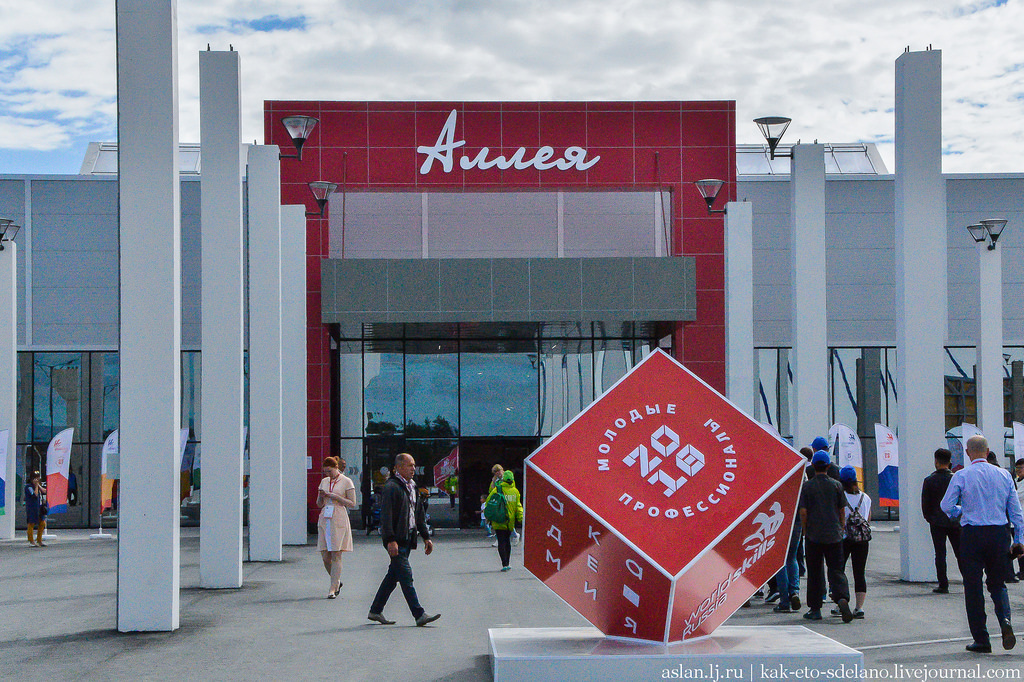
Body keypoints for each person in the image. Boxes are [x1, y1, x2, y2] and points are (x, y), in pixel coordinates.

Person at [940, 435, 1024, 653]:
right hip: (998, 534)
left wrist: (960, 512)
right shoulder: (1004, 475)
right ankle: (1005, 621)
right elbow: (1017, 514)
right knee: (998, 584)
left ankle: (982, 639)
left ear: (968, 453)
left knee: (973, 587)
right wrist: (1019, 541)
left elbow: (945, 505)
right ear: (988, 452)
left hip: (972, 535)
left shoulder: (962, 475)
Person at [368, 453, 440, 627]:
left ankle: (375, 611)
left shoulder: (413, 486)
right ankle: (419, 614)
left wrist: (426, 537)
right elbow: (386, 516)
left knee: (393, 576)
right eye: (409, 465)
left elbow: (419, 515)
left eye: (414, 465)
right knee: (406, 576)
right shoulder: (391, 487)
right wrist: (390, 539)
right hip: (395, 540)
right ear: (399, 467)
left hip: (408, 538)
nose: (413, 468)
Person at [799, 450, 853, 623]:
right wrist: (841, 527)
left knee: (815, 572)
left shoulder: (807, 487)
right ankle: (842, 597)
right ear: (828, 466)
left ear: (813, 466)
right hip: (834, 534)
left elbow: (803, 512)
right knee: (836, 569)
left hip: (814, 535)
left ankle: (815, 609)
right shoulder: (837, 485)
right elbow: (841, 510)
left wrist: (806, 531)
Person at [316, 456, 357, 599]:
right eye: (325, 472)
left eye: (330, 471)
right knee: (325, 555)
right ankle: (337, 581)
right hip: (325, 517)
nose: (328, 475)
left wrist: (335, 496)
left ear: (336, 468)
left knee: (336, 553)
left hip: (338, 516)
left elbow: (352, 503)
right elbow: (319, 504)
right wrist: (322, 496)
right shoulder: (324, 481)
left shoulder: (346, 481)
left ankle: (332, 588)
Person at [922, 448, 961, 593]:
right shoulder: (956, 478)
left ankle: (943, 584)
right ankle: (968, 580)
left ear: (936, 462)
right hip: (955, 520)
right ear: (950, 461)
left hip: (936, 521)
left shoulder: (929, 480)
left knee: (940, 553)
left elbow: (925, 504)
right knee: (960, 552)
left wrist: (930, 518)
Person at [838, 465, 871, 619]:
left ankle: (842, 601)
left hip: (844, 538)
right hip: (862, 540)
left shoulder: (841, 497)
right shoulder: (866, 498)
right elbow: (868, 518)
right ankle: (859, 607)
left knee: (839, 571)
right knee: (859, 572)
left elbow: (840, 518)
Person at [487, 470, 524, 572]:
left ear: (503, 479)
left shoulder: (497, 489)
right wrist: (521, 518)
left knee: (501, 541)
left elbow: (489, 503)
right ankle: (507, 562)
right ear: (512, 480)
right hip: (509, 521)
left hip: (498, 520)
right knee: (507, 541)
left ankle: (504, 563)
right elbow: (518, 507)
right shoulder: (515, 492)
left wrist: (488, 516)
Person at [24, 472, 46, 547]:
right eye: (35, 478)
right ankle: (31, 540)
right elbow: (35, 494)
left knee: (42, 523)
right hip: (32, 508)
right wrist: (36, 486)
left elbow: (44, 491)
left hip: (39, 508)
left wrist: (38, 486)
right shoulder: (28, 487)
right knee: (31, 523)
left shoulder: (38, 486)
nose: (37, 480)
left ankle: (39, 540)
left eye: (38, 478)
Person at [1016, 458, 1024, 580]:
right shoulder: (1015, 480)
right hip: (1016, 519)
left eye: (1020, 468)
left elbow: (1018, 496)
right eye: (1016, 468)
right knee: (1018, 547)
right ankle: (1021, 570)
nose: (1018, 471)